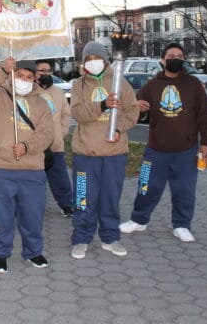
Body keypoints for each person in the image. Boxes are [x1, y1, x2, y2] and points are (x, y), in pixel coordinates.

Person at [119, 42, 207, 243]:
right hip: (155, 150)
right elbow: (134, 107)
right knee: (145, 186)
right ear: (163, 61)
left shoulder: (194, 85)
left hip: (186, 151)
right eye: (171, 55)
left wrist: (206, 143)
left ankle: (181, 225)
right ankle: (139, 220)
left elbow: (205, 116)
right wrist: (137, 105)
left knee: (184, 191)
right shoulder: (152, 84)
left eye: (180, 56)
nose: (176, 59)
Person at [0, 57, 53, 273]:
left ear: (35, 79)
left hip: (32, 170)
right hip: (0, 168)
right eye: (20, 75)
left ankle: (33, 251)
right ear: (12, 75)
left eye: (29, 77)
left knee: (33, 215)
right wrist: (1, 70)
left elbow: (47, 133)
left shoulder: (41, 102)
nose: (24, 80)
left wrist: (28, 146)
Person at [69, 41, 139, 260]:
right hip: (85, 154)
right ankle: (81, 238)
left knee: (110, 198)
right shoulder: (78, 85)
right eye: (88, 60)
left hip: (114, 152)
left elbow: (132, 111)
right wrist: (102, 105)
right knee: (83, 199)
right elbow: (78, 113)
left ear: (106, 60)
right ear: (83, 63)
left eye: (96, 58)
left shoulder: (120, 83)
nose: (93, 63)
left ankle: (110, 238)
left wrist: (118, 128)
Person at [35, 60, 74, 217]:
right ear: (35, 72)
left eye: (48, 70)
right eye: (41, 70)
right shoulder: (30, 91)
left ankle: (66, 205)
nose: (45, 73)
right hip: (35, 145)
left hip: (55, 145)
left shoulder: (58, 93)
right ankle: (33, 206)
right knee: (35, 180)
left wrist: (61, 132)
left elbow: (66, 114)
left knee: (60, 179)